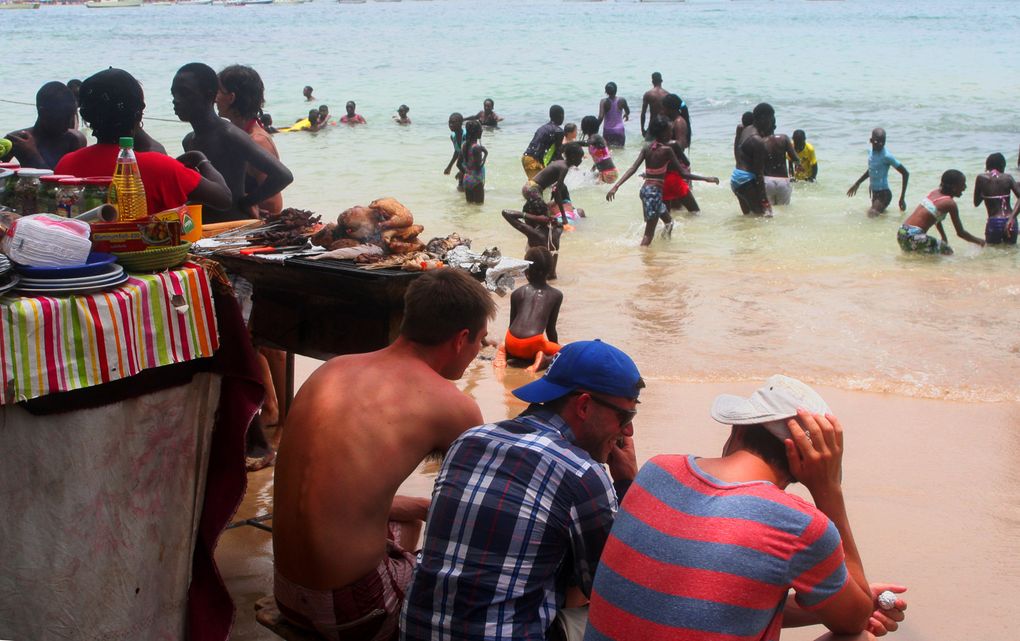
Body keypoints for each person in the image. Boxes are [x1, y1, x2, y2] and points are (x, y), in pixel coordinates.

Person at [586, 375, 908, 641]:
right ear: (802, 467)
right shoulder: (799, 525)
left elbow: (716, 606)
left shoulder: (657, 471)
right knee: (857, 639)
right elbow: (854, 620)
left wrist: (836, 594)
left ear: (739, 429)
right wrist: (829, 492)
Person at [273, 268, 495, 641]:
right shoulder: (452, 406)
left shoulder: (333, 368)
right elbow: (474, 515)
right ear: (461, 339)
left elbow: (333, 493)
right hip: (354, 609)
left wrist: (421, 508)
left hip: (288, 593)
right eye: (480, 341)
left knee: (409, 518)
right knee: (475, 596)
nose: (478, 352)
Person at [401, 339, 644, 641]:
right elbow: (616, 591)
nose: (628, 432)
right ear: (583, 405)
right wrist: (626, 484)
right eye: (626, 417)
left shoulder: (469, 440)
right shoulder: (582, 473)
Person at [55, 67, 231, 215]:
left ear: (86, 115)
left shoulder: (65, 166)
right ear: (139, 112)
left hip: (85, 256)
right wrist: (202, 160)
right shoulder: (159, 166)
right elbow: (223, 198)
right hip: (148, 256)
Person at [173, 62, 293, 223]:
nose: (176, 101)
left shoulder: (231, 135)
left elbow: (282, 176)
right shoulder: (189, 140)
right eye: (174, 94)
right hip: (203, 230)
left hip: (232, 230)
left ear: (210, 95)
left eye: (185, 93)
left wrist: (246, 202)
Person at [607, 116, 719, 246]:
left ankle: (664, 249)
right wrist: (706, 179)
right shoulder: (667, 150)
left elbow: (633, 168)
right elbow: (683, 173)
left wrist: (616, 186)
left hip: (646, 191)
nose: (671, 133)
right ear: (662, 133)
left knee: (669, 223)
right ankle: (644, 258)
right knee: (648, 236)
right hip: (654, 193)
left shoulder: (647, 148)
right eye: (669, 131)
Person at [216, 64, 285, 216]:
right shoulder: (236, 134)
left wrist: (245, 201)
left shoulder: (257, 141)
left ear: (231, 97)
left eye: (218, 91)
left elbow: (274, 205)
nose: (215, 98)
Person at [499, 246, 562, 373]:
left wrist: (510, 346)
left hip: (511, 341)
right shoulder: (556, 295)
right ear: (550, 270)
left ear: (526, 269)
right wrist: (556, 351)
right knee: (565, 353)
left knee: (510, 345)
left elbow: (511, 325)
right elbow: (551, 330)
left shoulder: (517, 293)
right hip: (533, 344)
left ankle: (504, 353)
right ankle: (544, 359)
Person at [2, 81, 86, 169]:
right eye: (62, 118)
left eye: (70, 117)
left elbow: (69, 179)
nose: (67, 125)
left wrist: (32, 155)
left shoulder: (75, 140)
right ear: (42, 112)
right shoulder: (18, 141)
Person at [898, 169, 984, 254]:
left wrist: (944, 237)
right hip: (914, 236)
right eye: (963, 184)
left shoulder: (935, 193)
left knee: (926, 255)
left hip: (902, 232)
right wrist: (980, 242)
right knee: (947, 251)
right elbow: (960, 233)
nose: (965, 188)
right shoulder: (950, 203)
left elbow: (936, 218)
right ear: (954, 187)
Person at [847, 128, 909, 216]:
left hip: (884, 194)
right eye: (877, 142)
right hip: (874, 193)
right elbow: (871, 170)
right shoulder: (870, 153)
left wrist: (902, 198)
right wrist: (857, 183)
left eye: (882, 142)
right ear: (871, 141)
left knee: (871, 215)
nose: (880, 145)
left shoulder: (887, 156)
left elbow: (905, 173)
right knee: (878, 218)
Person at [731, 102, 774, 216]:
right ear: (763, 118)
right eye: (771, 118)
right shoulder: (757, 141)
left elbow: (737, 151)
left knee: (748, 218)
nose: (772, 122)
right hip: (746, 180)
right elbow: (758, 172)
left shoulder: (747, 129)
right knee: (762, 217)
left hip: (736, 178)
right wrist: (764, 199)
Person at [973, 152, 1019, 245]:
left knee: (993, 252)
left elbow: (976, 203)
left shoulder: (981, 178)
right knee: (1010, 252)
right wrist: (1011, 218)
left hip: (994, 222)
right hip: (1011, 222)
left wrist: (986, 192)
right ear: (1003, 165)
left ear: (987, 165)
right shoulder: (1008, 177)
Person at [522, 104, 565, 180]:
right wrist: (566, 165)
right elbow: (558, 152)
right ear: (561, 115)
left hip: (526, 158)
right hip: (533, 161)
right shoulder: (558, 131)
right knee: (537, 185)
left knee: (538, 184)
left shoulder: (543, 127)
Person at [763, 130, 801, 206]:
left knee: (768, 212)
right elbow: (795, 159)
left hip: (767, 181)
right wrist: (799, 165)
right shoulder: (784, 138)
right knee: (784, 211)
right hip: (783, 181)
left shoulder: (761, 140)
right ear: (774, 126)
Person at [580, 115, 617, 183]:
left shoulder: (596, 137)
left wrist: (570, 144)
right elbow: (599, 159)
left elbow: (585, 143)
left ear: (586, 128)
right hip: (607, 173)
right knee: (584, 176)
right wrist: (591, 171)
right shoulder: (595, 140)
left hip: (609, 174)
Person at [461, 120, 487, 204]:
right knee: (478, 207)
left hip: (467, 178)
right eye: (480, 129)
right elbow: (478, 167)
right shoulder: (476, 147)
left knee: (470, 207)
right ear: (477, 133)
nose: (482, 131)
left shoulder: (464, 145)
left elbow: (462, 163)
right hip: (476, 180)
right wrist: (486, 155)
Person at [597, 81, 629, 148]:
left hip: (608, 131)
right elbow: (628, 111)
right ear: (616, 90)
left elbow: (600, 117)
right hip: (619, 130)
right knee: (620, 151)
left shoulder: (603, 101)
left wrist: (596, 128)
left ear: (606, 92)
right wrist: (626, 115)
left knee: (608, 152)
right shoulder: (622, 100)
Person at [639, 71, 669, 140]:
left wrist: (642, 129)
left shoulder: (648, 94)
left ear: (652, 81)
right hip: (664, 126)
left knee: (649, 149)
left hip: (653, 126)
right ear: (661, 81)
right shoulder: (667, 94)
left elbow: (643, 113)